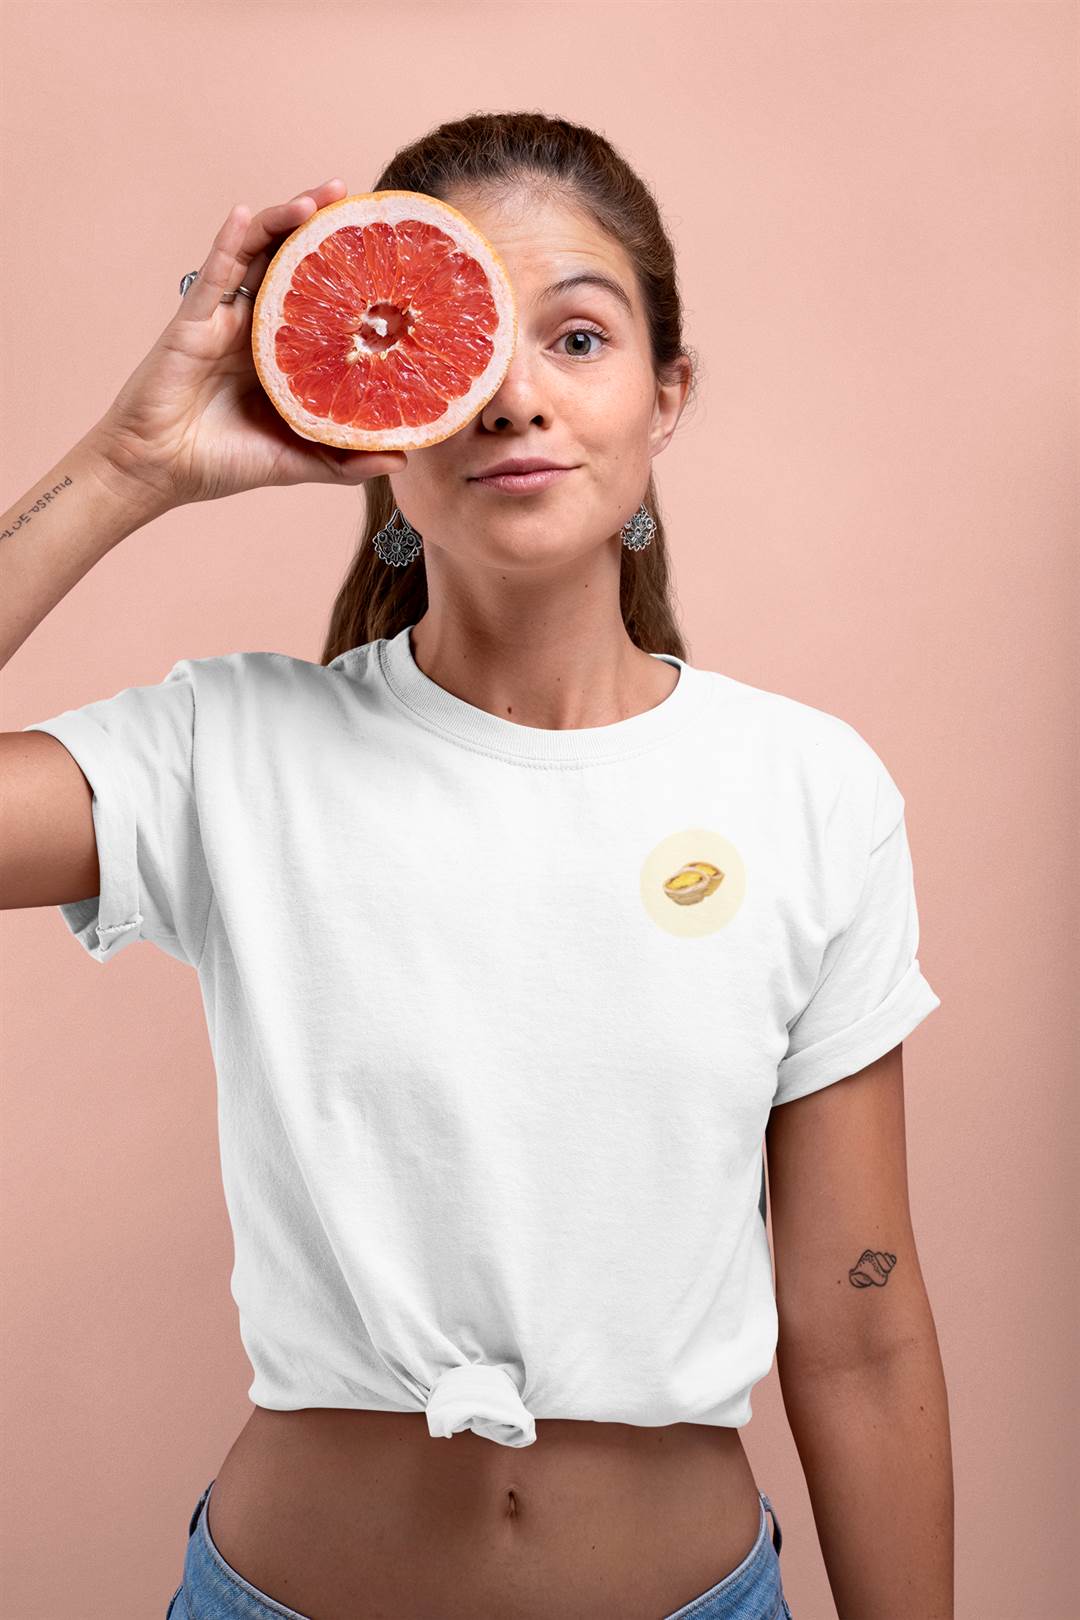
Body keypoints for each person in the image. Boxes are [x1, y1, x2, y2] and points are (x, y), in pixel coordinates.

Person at [0, 112, 954, 1620]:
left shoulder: (805, 790)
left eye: (578, 336)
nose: (514, 395)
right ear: (372, 415)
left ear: (668, 393)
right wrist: (130, 465)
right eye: (451, 345)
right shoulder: (230, 753)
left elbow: (862, 1326)